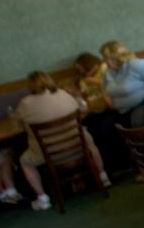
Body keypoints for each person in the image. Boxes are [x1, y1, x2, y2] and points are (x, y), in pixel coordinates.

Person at [14, 71, 111, 211]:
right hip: (79, 146)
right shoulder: (64, 94)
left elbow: (19, 125)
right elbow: (83, 108)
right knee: (90, 142)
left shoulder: (25, 103)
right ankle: (103, 176)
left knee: (25, 161)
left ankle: (42, 198)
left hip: (50, 155)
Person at [100, 40, 144, 128]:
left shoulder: (135, 64)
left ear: (118, 56)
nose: (105, 61)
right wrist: (108, 99)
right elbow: (104, 89)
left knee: (137, 123)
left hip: (141, 105)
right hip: (118, 110)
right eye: (104, 58)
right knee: (99, 125)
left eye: (109, 58)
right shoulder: (108, 72)